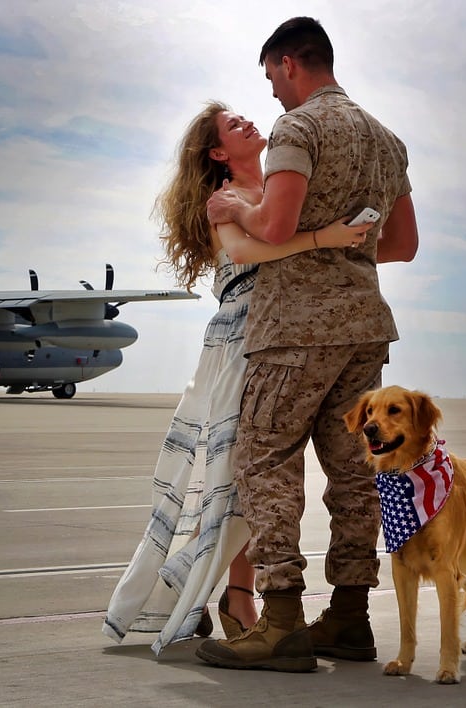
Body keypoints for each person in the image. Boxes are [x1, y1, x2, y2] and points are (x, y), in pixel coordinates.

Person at [102, 100, 370, 656]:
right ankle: (219, 596)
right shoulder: (224, 200)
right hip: (240, 341)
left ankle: (207, 593)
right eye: (233, 125)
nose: (249, 121)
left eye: (245, 116)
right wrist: (328, 239)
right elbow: (251, 250)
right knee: (242, 477)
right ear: (219, 152)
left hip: (286, 333)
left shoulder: (284, 189)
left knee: (250, 481)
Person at [194, 17, 420, 673]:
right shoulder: (388, 141)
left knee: (265, 460)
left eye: (270, 76)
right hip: (363, 328)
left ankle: (283, 619)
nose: (270, 94)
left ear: (289, 62)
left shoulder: (299, 128)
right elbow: (402, 245)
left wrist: (232, 211)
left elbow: (277, 223)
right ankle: (350, 616)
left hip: (294, 328)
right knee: (354, 474)